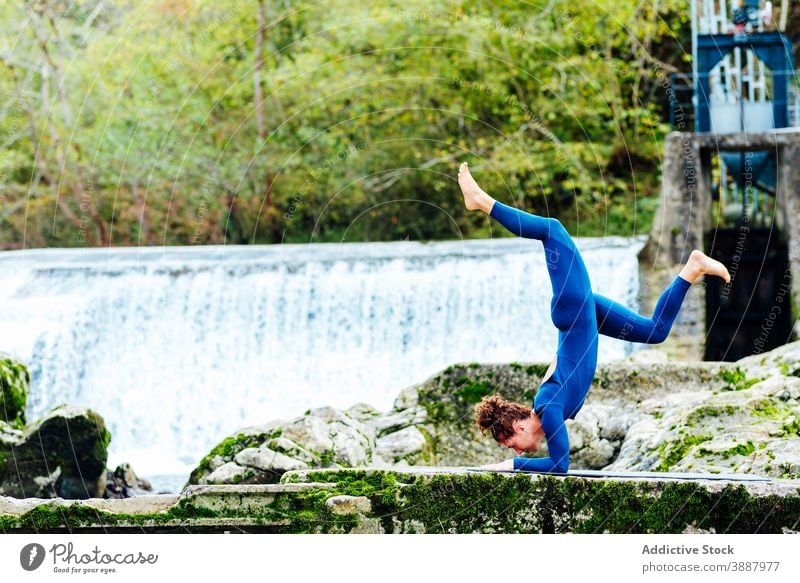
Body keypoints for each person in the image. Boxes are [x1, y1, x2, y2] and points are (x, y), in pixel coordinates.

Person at [456, 162, 731, 473]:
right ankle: (692, 267)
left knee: (552, 229)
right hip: (585, 318)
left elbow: (560, 467)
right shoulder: (546, 403)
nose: (518, 449)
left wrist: (508, 465)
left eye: (511, 444)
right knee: (656, 332)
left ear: (519, 429)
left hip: (574, 310)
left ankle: (480, 199)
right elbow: (562, 364)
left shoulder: (548, 410)